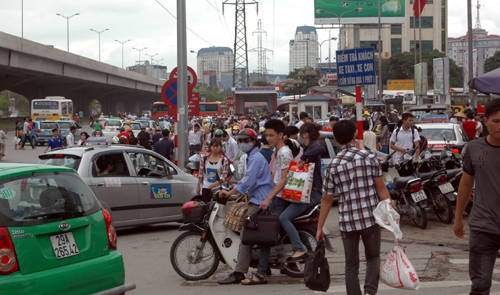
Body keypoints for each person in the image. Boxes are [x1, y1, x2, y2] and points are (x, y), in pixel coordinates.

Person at [317, 119, 391, 295]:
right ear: (355, 135)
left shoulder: (332, 166)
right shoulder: (369, 157)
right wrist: (390, 214)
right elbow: (381, 188)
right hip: (370, 218)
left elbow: (326, 200)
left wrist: (320, 227)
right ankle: (369, 292)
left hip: (347, 220)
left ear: (335, 139)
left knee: (351, 264)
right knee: (373, 257)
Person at [453, 98, 500, 295]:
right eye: (496, 121)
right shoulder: (474, 148)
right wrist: (458, 219)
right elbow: (465, 184)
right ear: (486, 121)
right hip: (483, 226)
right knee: (480, 285)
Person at [218, 128, 274, 286]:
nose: (243, 144)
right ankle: (260, 267)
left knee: (246, 236)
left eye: (246, 141)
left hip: (260, 202)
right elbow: (248, 180)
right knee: (253, 235)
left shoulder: (255, 158)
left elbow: (248, 180)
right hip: (256, 198)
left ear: (254, 142)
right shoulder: (250, 157)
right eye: (240, 141)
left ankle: (239, 272)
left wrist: (229, 193)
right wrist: (239, 189)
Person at [270, 122, 326, 262]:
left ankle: (300, 249)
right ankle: (308, 251)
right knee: (293, 221)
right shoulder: (306, 148)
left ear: (305, 134)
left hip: (312, 195)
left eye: (300, 135)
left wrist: (302, 158)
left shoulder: (312, 146)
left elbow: (320, 148)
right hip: (306, 194)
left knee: (284, 218)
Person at [196, 138, 230, 203]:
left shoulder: (224, 160)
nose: (215, 148)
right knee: (205, 205)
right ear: (210, 147)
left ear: (220, 147)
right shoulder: (204, 159)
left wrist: (216, 183)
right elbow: (200, 174)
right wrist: (198, 186)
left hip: (219, 187)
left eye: (217, 146)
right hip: (206, 186)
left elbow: (224, 175)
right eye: (213, 146)